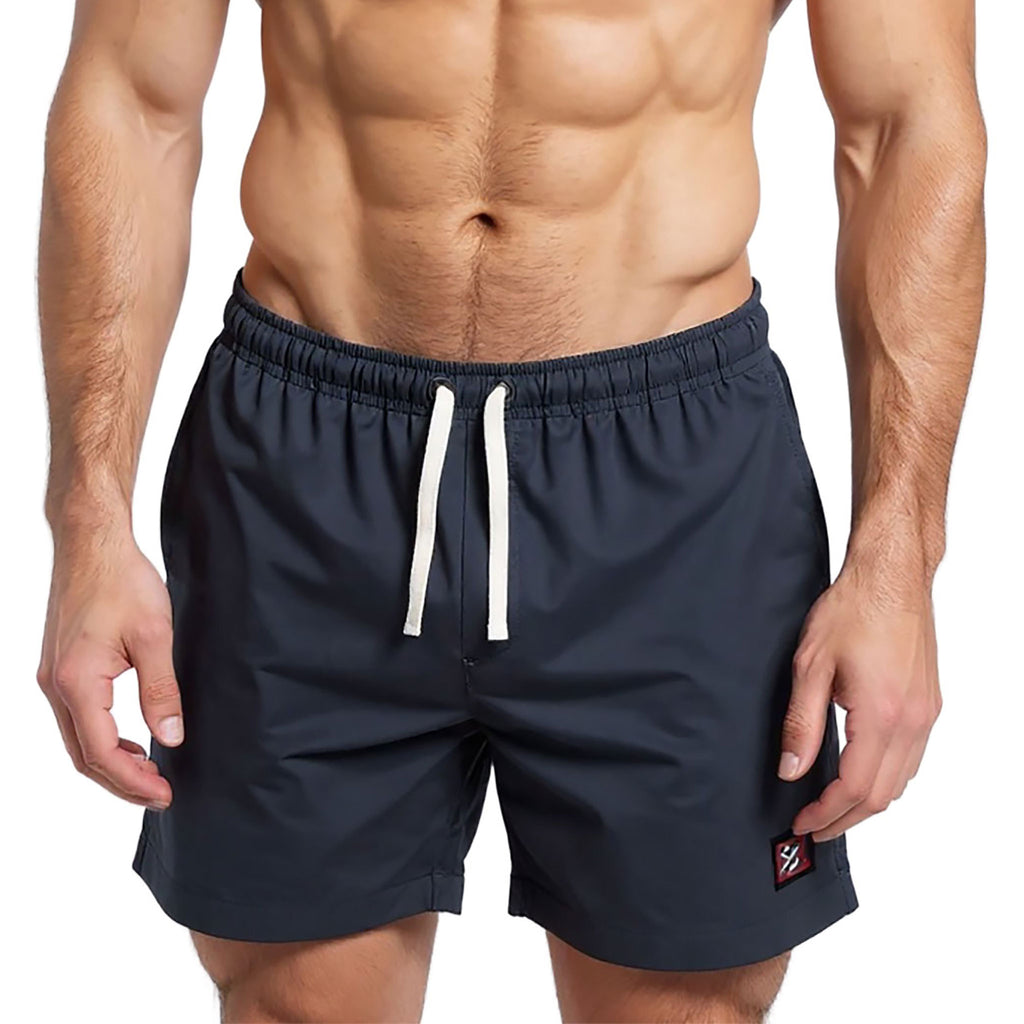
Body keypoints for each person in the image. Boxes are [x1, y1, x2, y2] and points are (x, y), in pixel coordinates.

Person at [35, 0, 985, 1021]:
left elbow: (904, 126)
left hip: (669, 493)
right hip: (307, 472)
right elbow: (134, 99)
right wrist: (88, 519)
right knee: (293, 1001)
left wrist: (899, 559)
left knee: (685, 1004)